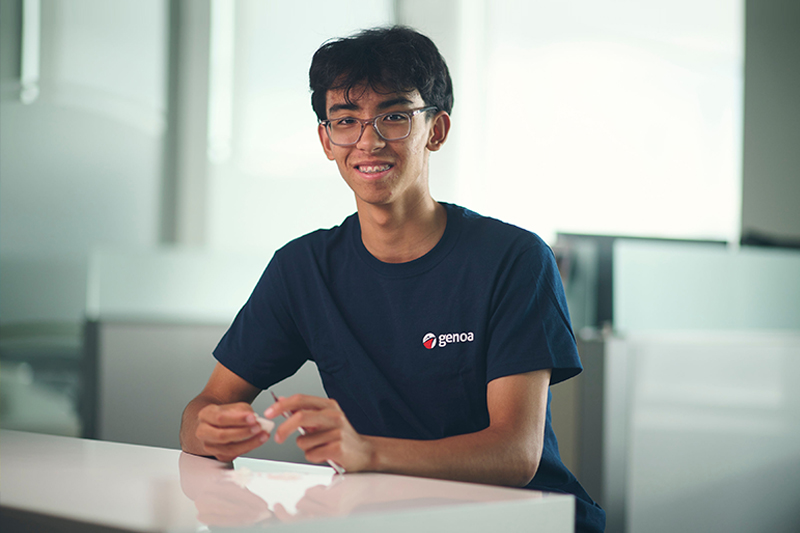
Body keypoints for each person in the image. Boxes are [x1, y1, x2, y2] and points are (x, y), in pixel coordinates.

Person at [180, 25, 605, 532]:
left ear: (437, 130)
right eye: (346, 120)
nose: (369, 140)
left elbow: (514, 454)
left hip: (522, 520)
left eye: (395, 117)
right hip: (379, 519)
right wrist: (210, 431)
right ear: (326, 139)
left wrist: (366, 451)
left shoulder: (513, 259)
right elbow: (203, 407)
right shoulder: (303, 268)